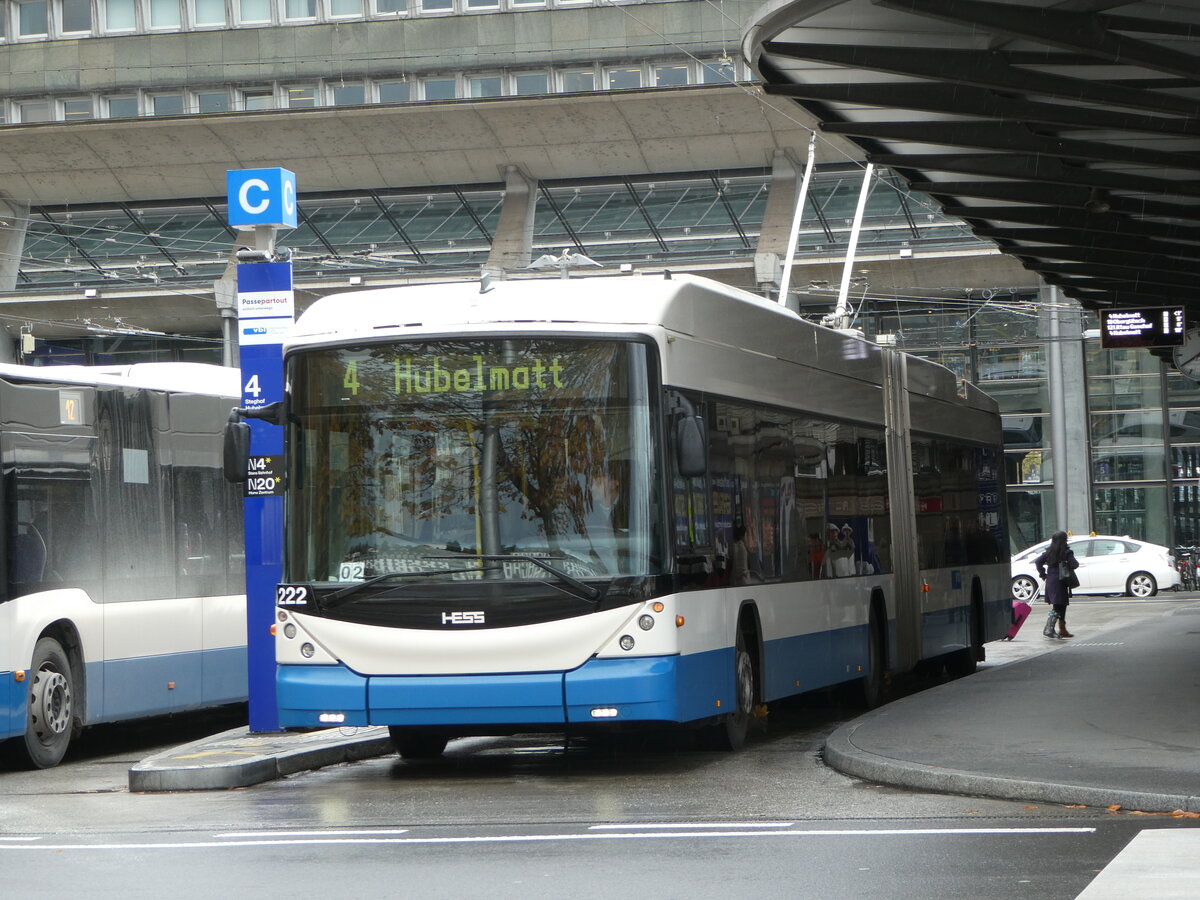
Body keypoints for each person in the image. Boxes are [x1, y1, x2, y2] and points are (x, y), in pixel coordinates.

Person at [1035, 531, 1078, 639]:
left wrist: (1043, 574)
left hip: (1051, 579)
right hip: (1061, 580)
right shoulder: (1067, 552)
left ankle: (1062, 630)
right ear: (1064, 540)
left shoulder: (1048, 552)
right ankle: (1049, 629)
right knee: (1058, 606)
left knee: (1061, 604)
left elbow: (1038, 562)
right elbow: (1075, 564)